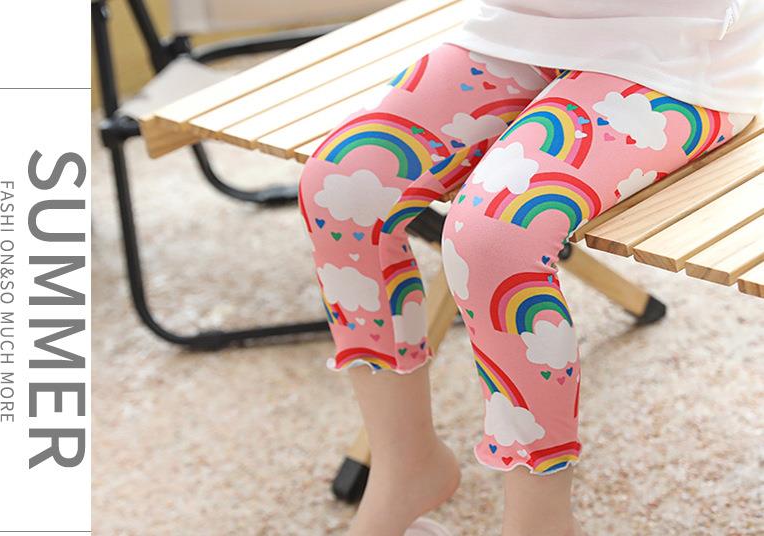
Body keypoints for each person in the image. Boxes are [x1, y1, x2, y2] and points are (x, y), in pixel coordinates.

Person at [297, 1, 763, 534]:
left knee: (495, 237)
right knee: (341, 187)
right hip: (519, 26)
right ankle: (404, 464)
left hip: (675, 55)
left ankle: (541, 523)